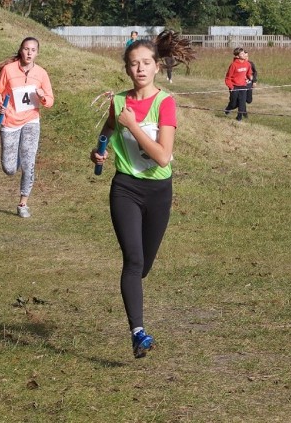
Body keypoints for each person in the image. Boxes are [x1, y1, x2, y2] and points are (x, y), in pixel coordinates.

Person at [90, 30, 194, 359]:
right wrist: (100, 150)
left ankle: (135, 307)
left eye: (146, 63)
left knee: (144, 266)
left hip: (159, 190)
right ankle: (138, 332)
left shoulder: (166, 103)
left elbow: (163, 156)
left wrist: (133, 126)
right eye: (134, 64)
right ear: (127, 69)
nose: (140, 69)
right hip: (125, 188)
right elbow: (109, 128)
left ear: (157, 67)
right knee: (132, 261)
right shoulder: (119, 102)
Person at [0, 37, 55, 217]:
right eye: (26, 49)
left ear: (37, 53)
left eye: (33, 50)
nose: (29, 53)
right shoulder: (8, 70)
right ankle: (16, 159)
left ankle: (23, 203)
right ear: (21, 50)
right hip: (10, 121)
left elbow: (50, 101)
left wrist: (42, 97)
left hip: (31, 121)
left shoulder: (41, 73)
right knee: (9, 168)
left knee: (29, 163)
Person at [223, 48, 252, 121]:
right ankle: (228, 108)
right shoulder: (233, 65)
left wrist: (250, 77)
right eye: (242, 54)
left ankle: (239, 118)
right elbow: (228, 78)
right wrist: (231, 87)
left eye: (244, 53)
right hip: (234, 86)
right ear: (237, 56)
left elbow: (249, 73)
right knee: (234, 104)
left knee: (242, 103)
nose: (244, 55)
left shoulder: (247, 64)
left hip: (243, 86)